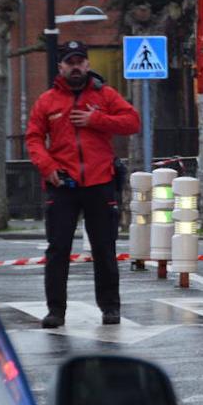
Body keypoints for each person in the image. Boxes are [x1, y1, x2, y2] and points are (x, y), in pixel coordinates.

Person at [26, 41, 140, 329]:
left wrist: (95, 119)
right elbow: (34, 138)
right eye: (69, 61)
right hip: (62, 184)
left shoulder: (105, 95)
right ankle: (55, 311)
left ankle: (110, 308)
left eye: (80, 61)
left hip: (100, 182)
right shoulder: (47, 101)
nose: (75, 66)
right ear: (60, 67)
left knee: (104, 248)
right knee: (57, 250)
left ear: (87, 65)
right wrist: (48, 167)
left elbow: (132, 121)